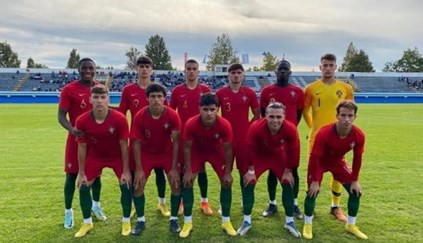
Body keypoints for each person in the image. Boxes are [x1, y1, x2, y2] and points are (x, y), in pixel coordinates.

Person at [302, 100, 367, 240]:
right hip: (320, 163)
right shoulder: (324, 133)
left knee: (355, 192)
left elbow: (357, 158)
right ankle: (307, 224)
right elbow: (314, 158)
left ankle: (351, 225)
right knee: (312, 192)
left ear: (355, 117)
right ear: (337, 115)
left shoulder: (359, 135)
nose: (346, 119)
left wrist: (355, 180)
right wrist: (314, 181)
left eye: (350, 115)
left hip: (337, 162)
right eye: (343, 115)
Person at [74, 84, 132, 237]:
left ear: (108, 99)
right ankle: (87, 222)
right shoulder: (82, 120)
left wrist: (126, 171)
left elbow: (124, 146)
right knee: (83, 186)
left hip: (117, 157)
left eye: (103, 97)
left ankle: (126, 221)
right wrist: (81, 173)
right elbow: (81, 147)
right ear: (90, 99)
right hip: (95, 157)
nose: (99, 101)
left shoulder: (119, 118)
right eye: (96, 97)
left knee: (126, 185)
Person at [303, 53, 354, 222]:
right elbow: (305, 112)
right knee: (313, 171)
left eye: (331, 65)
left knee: (337, 171)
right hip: (316, 138)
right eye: (325, 65)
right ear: (320, 67)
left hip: (338, 139)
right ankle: (310, 205)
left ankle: (335, 206)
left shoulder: (346, 88)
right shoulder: (310, 88)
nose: (328, 68)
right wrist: (313, 128)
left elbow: (351, 111)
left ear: (336, 67)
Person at [238, 102, 301, 238]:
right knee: (249, 183)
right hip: (259, 157)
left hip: (278, 156)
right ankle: (247, 221)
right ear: (265, 115)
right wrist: (250, 171)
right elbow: (249, 149)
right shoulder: (256, 127)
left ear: (284, 116)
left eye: (279, 117)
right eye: (271, 116)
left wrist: (288, 170)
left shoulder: (290, 129)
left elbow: (294, 151)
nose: (275, 120)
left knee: (288, 183)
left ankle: (289, 221)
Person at [119, 56, 171, 220]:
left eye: (147, 66)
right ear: (137, 68)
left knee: (160, 173)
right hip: (138, 141)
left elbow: (167, 113)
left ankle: (161, 203)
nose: (144, 69)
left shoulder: (158, 90)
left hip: (159, 140)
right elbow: (122, 113)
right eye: (141, 66)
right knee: (136, 174)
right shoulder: (128, 90)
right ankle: (135, 205)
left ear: (151, 69)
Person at [58, 58, 106, 230]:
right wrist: (72, 130)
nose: (87, 70)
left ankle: (96, 206)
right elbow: (61, 116)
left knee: (96, 175)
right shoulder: (69, 89)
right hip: (76, 139)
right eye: (84, 68)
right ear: (78, 69)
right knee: (71, 175)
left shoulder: (100, 88)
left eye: (91, 68)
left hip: (95, 140)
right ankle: (68, 211)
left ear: (95, 70)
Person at [179, 93, 236, 238]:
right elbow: (186, 147)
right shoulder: (191, 123)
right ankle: (187, 222)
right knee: (187, 181)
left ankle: (226, 221)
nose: (209, 113)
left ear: (217, 109)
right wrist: (188, 170)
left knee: (226, 182)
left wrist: (228, 172)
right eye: (205, 109)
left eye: (212, 109)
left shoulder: (224, 124)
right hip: (197, 152)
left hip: (216, 152)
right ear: (199, 109)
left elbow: (229, 149)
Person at [130, 83, 182, 235]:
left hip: (167, 153)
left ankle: (173, 219)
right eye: (153, 96)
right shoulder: (140, 116)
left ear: (164, 98)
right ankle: (140, 221)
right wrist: (139, 169)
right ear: (147, 98)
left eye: (159, 96)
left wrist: (173, 168)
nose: (156, 100)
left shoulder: (172, 114)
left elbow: (177, 142)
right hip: (147, 154)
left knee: (175, 184)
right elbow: (136, 143)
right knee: (138, 185)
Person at [259, 60, 304, 219]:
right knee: (272, 170)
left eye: (286, 69)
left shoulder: (298, 92)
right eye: (280, 69)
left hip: (291, 139)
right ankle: (272, 203)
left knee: (294, 170)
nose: (283, 71)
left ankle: (295, 204)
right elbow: (263, 113)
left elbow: (298, 115)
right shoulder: (266, 91)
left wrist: (288, 129)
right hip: (272, 139)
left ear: (290, 72)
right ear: (275, 72)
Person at [169, 59, 212, 216]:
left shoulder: (205, 90)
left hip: (201, 137)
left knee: (201, 168)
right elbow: (171, 112)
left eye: (194, 68)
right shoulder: (177, 91)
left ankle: (204, 202)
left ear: (198, 71)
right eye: (189, 68)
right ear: (184, 71)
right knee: (182, 169)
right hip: (182, 137)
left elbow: (212, 113)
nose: (192, 71)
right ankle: (180, 202)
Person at [216, 63, 260, 213]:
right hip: (225, 141)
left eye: (238, 72)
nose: (235, 75)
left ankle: (244, 199)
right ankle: (224, 203)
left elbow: (257, 114)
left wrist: (248, 127)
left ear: (243, 75)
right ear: (228, 75)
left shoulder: (250, 93)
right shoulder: (221, 93)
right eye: (233, 72)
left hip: (243, 141)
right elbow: (214, 114)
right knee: (224, 173)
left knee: (244, 173)